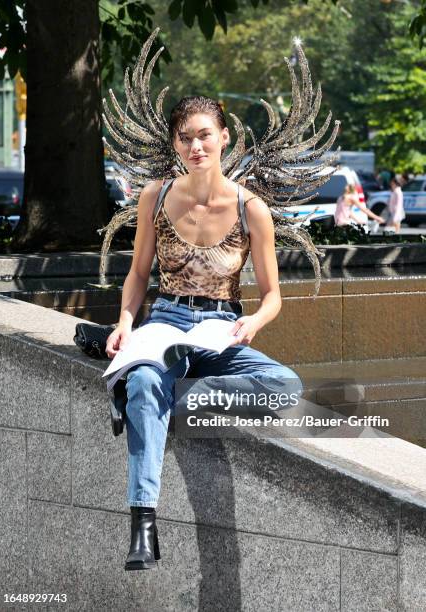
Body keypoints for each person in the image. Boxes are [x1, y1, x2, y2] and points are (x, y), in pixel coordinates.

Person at [105, 97, 305, 571]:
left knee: (286, 387)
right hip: (168, 320)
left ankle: (169, 402)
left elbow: (274, 294)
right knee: (145, 380)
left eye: (204, 135)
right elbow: (137, 275)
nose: (195, 145)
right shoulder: (155, 196)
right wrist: (126, 322)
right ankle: (143, 524)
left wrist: (253, 322)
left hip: (221, 329)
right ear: (176, 143)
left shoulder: (250, 208)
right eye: (185, 137)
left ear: (224, 137)